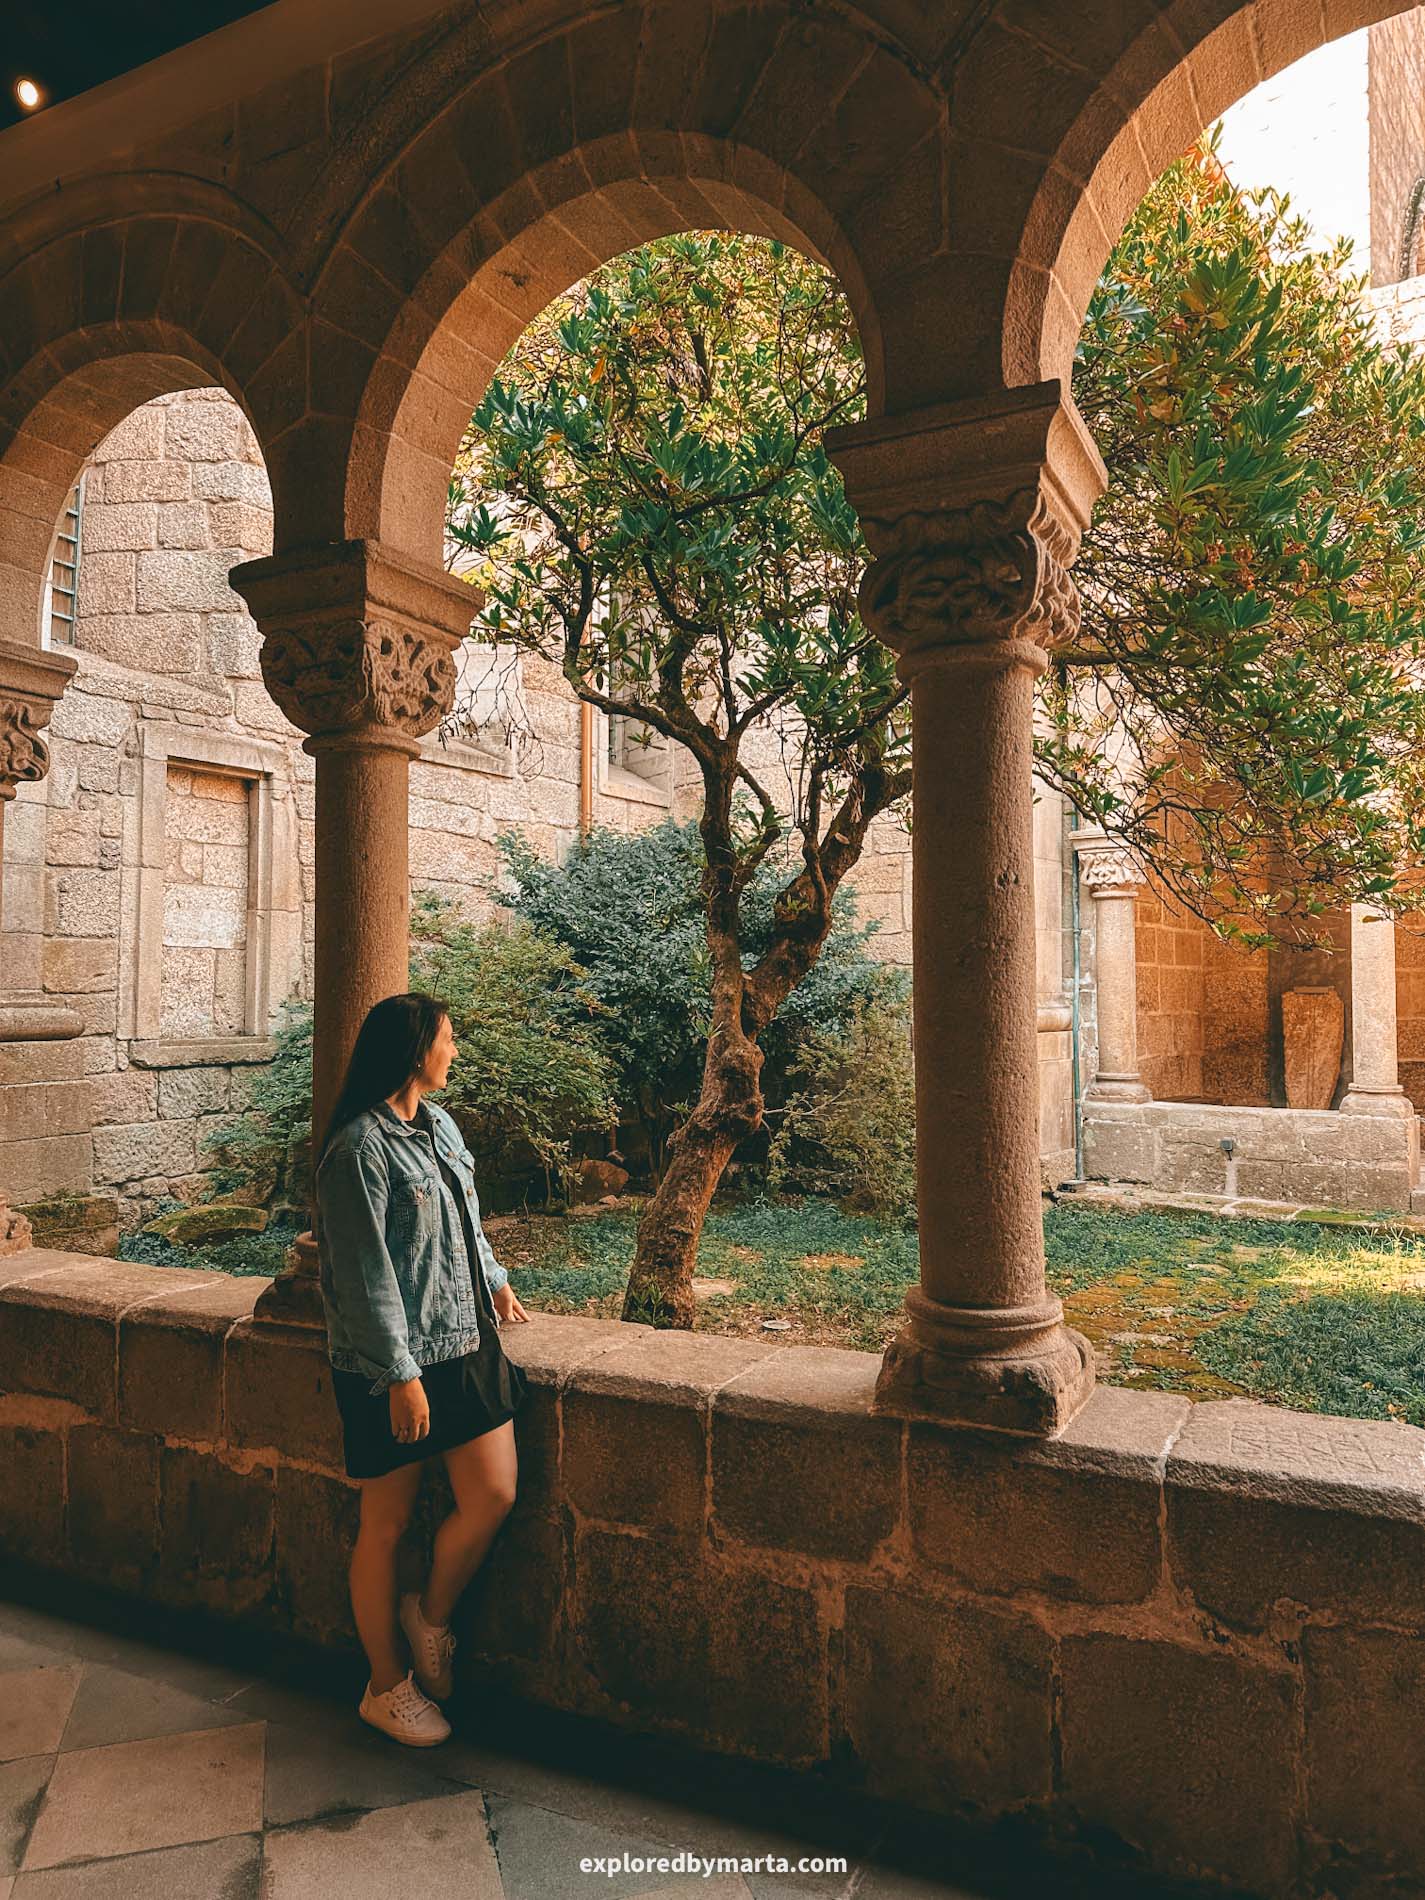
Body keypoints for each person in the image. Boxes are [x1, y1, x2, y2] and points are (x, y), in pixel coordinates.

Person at [314, 991, 531, 1747]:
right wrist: (400, 1375)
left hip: (463, 1338)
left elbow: (463, 1218)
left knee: (494, 1492)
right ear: (415, 1050)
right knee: (387, 1523)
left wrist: (495, 1277)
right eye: (449, 1038)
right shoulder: (357, 1150)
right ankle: (383, 1686)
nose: (456, 1050)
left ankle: (429, 1618)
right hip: (390, 1363)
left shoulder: (438, 1125)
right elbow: (365, 1274)